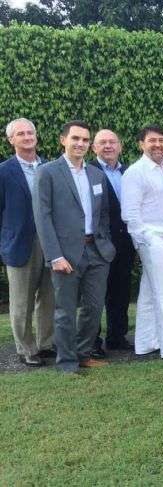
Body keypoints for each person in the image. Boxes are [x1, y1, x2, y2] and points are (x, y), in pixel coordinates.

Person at [33, 120, 116, 373]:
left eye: (84, 140)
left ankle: (82, 354)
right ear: (63, 140)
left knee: (94, 307)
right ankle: (67, 362)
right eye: (75, 139)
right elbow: (42, 217)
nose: (80, 143)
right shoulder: (47, 172)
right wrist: (54, 255)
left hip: (97, 252)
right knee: (65, 312)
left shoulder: (96, 174)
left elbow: (103, 214)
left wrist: (105, 243)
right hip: (65, 254)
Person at [121, 125, 163, 360]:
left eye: (161, 140)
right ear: (141, 144)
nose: (157, 144)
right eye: (152, 140)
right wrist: (145, 243)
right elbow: (130, 213)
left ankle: (145, 343)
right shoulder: (135, 172)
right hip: (150, 240)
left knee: (150, 294)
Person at [0, 118, 54, 367]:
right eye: (20, 133)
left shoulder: (50, 167)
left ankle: (46, 344)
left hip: (50, 240)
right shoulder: (4, 171)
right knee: (21, 301)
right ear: (11, 140)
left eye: (30, 132)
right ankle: (26, 349)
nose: (27, 136)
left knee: (49, 296)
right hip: (20, 243)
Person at [89, 129, 134, 355]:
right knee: (96, 293)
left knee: (121, 291)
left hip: (125, 242)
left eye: (112, 142)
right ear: (94, 148)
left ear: (120, 146)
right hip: (98, 244)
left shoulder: (129, 172)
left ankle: (117, 336)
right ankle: (92, 342)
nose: (108, 146)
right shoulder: (88, 171)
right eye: (102, 142)